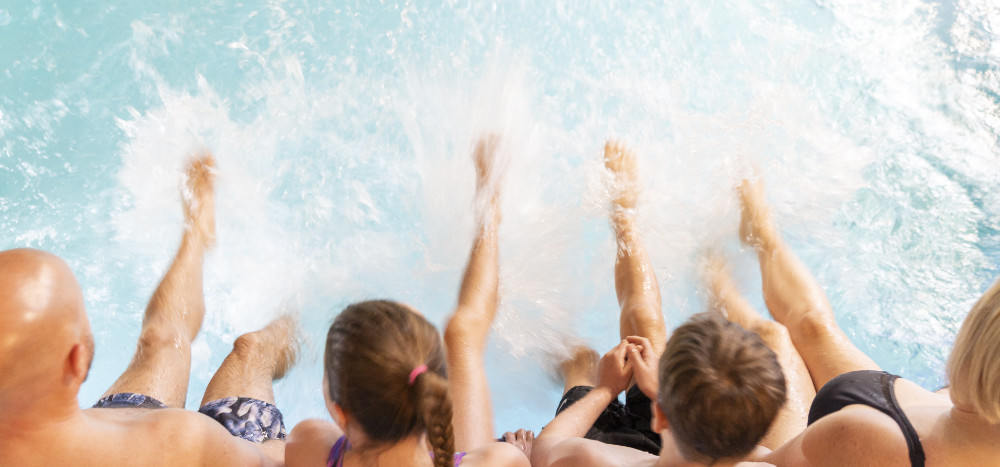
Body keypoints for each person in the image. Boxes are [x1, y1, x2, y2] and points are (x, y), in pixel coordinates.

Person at [0, 153, 298, 466]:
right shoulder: (184, 440)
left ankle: (197, 234)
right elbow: (277, 460)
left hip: (94, 438)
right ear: (77, 361)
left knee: (161, 339)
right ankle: (299, 317)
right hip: (190, 453)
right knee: (252, 350)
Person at [530, 142, 814, 467]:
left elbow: (546, 450)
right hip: (683, 439)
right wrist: (663, 398)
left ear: (661, 413)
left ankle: (624, 217)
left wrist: (605, 390)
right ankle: (625, 221)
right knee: (644, 321)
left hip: (605, 437)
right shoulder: (761, 463)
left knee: (582, 361)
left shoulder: (589, 457)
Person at [283, 136, 528, 467]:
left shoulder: (309, 445)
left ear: (340, 412)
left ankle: (489, 210)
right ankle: (490, 212)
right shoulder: (501, 462)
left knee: (451, 335)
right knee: (462, 333)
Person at [734, 178, 1000, 466]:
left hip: (877, 444)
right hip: (919, 423)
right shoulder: (981, 417)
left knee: (773, 338)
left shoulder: (866, 438)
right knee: (814, 326)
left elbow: (761, 464)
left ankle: (710, 269)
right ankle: (760, 232)